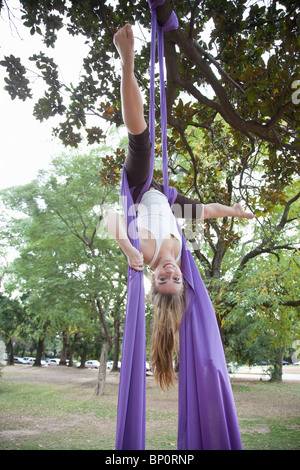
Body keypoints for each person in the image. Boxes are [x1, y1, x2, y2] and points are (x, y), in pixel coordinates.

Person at [105, 24, 255, 390]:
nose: (171, 271)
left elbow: (108, 216)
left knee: (141, 141)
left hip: (141, 191)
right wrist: (236, 212)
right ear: (182, 282)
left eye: (163, 279)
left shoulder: (148, 251)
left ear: (153, 279)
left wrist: (128, 249)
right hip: (169, 201)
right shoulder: (181, 255)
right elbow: (203, 213)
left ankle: (126, 61)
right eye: (176, 280)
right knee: (204, 210)